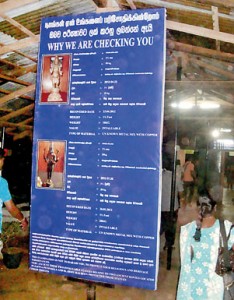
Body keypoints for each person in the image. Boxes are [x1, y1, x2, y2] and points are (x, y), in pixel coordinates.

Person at [176, 192, 234, 300]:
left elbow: (185, 259)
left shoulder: (188, 230)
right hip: (214, 287)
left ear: (199, 209)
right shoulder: (225, 228)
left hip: (192, 284)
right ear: (215, 208)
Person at [0, 148, 28, 254]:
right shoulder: (1, 183)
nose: (3, 162)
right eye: (3, 159)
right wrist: (22, 219)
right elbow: (11, 208)